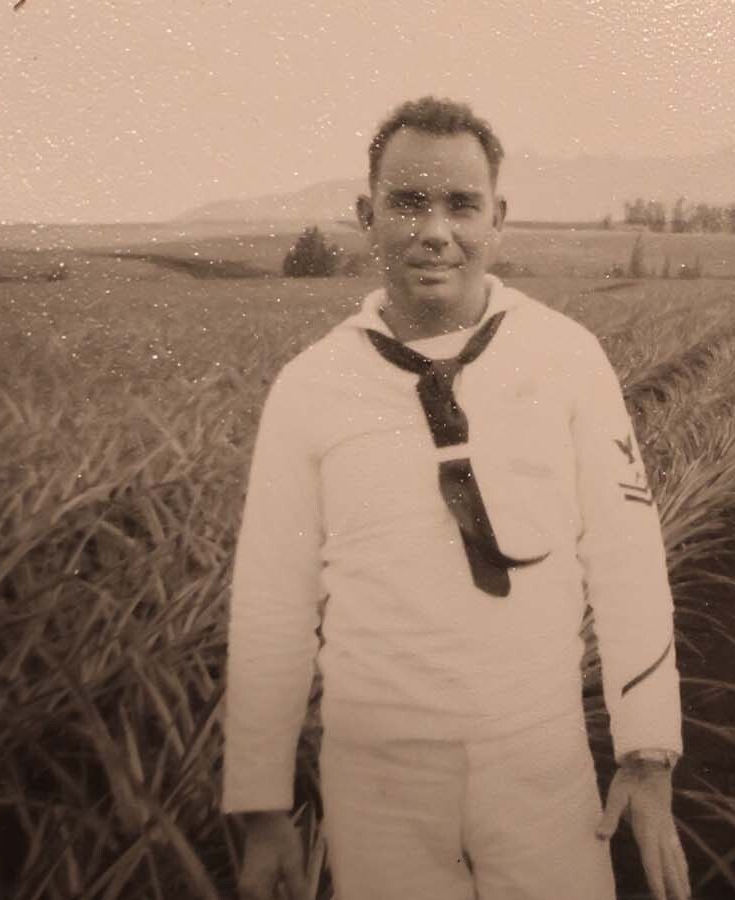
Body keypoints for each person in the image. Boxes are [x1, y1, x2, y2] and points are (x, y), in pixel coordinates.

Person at [222, 95, 689, 900]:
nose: (435, 231)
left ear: (497, 218)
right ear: (367, 216)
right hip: (377, 785)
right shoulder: (309, 389)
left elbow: (628, 562)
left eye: (461, 204)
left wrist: (647, 754)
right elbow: (272, 602)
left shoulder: (569, 360)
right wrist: (263, 807)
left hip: (540, 762)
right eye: (408, 202)